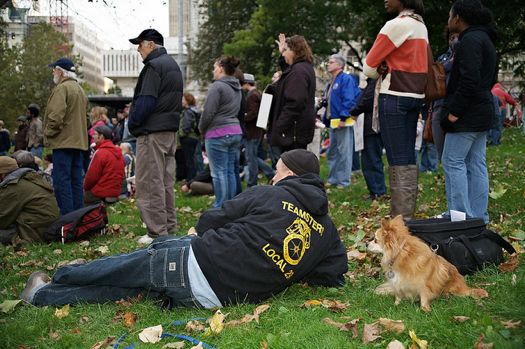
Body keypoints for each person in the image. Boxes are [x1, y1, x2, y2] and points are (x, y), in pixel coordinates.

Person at [20, 149, 348, 309]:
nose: (273, 176)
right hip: (217, 299)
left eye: (276, 171)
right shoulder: (327, 231)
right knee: (135, 289)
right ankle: (45, 296)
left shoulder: (270, 193)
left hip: (201, 261)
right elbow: (333, 274)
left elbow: (211, 220)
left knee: (134, 264)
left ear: (289, 173)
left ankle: (64, 274)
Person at [363, 0, 428, 220]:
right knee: (408, 157)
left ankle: (401, 222)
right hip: (415, 97)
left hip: (394, 96)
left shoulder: (395, 25)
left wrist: (380, 67)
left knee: (397, 160)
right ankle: (406, 217)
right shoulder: (421, 25)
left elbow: (369, 67)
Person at [440, 0, 497, 224]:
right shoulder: (486, 39)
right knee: (476, 163)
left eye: (450, 15)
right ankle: (478, 218)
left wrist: (454, 111)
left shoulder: (470, 40)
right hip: (481, 109)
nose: (448, 19)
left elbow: (469, 79)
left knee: (452, 160)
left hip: (467, 113)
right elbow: (490, 78)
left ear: (459, 18)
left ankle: (460, 217)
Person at [128, 29, 183, 242]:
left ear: (150, 44)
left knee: (150, 183)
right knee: (165, 183)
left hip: (152, 133)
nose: (138, 50)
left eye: (140, 45)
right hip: (169, 132)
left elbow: (146, 101)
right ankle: (168, 228)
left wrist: (132, 124)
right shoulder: (172, 66)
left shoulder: (154, 66)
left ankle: (156, 233)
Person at [43, 57, 89, 215]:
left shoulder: (62, 89)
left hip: (64, 143)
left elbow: (55, 117)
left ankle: (67, 220)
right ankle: (78, 219)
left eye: (54, 69)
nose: (52, 72)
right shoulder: (79, 90)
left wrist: (48, 134)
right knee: (76, 181)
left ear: (60, 72)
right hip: (79, 143)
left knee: (62, 182)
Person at [199, 56, 243, 208]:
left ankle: (221, 206)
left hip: (218, 133)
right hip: (235, 131)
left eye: (214, 67)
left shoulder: (217, 87)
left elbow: (208, 113)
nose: (213, 70)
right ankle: (231, 205)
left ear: (221, 69)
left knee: (219, 173)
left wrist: (201, 129)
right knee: (230, 170)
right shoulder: (237, 87)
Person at [269, 34, 316, 154]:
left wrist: (279, 126)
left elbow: (296, 102)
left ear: (294, 50)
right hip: (295, 132)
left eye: (286, 50)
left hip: (293, 133)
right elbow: (287, 73)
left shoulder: (298, 72)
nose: (283, 54)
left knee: (292, 169)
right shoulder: (302, 69)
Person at [0, 156, 59, 245]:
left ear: (2, 174)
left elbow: (3, 219)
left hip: (33, 233)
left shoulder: (13, 187)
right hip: (46, 228)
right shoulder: (29, 178)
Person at [323, 54, 361, 188]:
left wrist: (344, 117)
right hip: (333, 121)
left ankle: (344, 181)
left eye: (331, 62)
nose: (328, 64)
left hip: (342, 121)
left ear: (339, 65)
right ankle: (333, 178)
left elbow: (349, 99)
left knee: (344, 151)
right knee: (332, 151)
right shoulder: (332, 81)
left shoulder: (346, 79)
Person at [350, 78, 387, 200]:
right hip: (369, 127)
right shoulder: (371, 82)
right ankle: (374, 191)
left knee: (372, 160)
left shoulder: (375, 81)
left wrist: (354, 111)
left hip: (372, 127)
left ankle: (378, 192)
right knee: (368, 161)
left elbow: (367, 101)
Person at [242, 73, 275, 187]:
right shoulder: (258, 94)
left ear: (246, 83)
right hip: (258, 130)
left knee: (251, 158)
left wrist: (243, 117)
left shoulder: (252, 95)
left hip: (252, 131)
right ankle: (269, 173)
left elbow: (253, 113)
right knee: (252, 157)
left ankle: (252, 182)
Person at [432, 28, 459, 159]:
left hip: (456, 106)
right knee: (442, 152)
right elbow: (437, 71)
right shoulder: (442, 57)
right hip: (439, 105)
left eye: (457, 37)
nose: (454, 40)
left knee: (455, 156)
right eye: (451, 37)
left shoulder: (467, 55)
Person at [83, 125, 125, 204]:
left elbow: (91, 177)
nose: (93, 136)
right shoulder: (118, 152)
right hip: (116, 192)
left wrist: (85, 188)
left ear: (101, 136)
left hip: (102, 192)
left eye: (95, 134)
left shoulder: (100, 152)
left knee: (81, 198)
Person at [179, 92, 201, 182]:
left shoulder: (187, 112)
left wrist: (183, 134)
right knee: (193, 158)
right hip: (194, 137)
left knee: (189, 160)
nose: (181, 101)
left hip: (187, 137)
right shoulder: (195, 110)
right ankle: (192, 178)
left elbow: (186, 126)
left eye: (183, 99)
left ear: (187, 101)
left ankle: (190, 179)